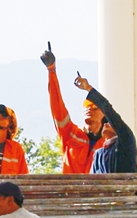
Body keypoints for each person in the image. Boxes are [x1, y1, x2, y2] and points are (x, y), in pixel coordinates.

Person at [40, 42, 106, 173]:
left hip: (94, 193)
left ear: (104, 114)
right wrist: (51, 70)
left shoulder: (108, 143)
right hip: (69, 192)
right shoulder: (70, 133)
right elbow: (57, 106)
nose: (89, 109)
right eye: (86, 106)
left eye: (94, 108)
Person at [73, 74, 137, 174]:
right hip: (104, 189)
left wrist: (89, 89)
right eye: (104, 123)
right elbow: (92, 181)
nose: (106, 124)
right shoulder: (98, 154)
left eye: (109, 122)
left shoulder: (125, 141)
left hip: (124, 188)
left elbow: (108, 110)